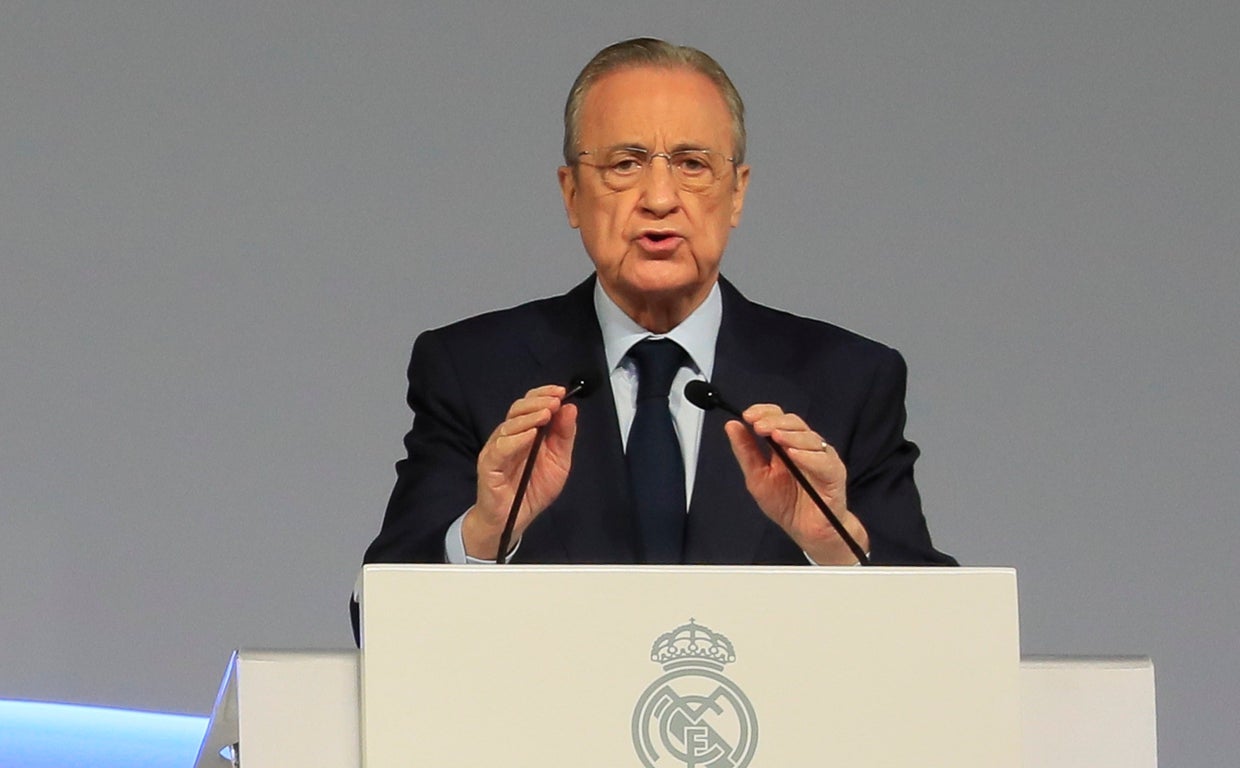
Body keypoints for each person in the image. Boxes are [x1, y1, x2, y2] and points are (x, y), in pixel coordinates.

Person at [354, 38, 954, 637]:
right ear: (571, 194)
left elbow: (941, 635)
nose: (660, 200)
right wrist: (484, 536)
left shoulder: (848, 380)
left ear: (737, 192)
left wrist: (834, 549)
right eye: (624, 164)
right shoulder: (472, 371)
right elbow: (379, 622)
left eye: (693, 164)